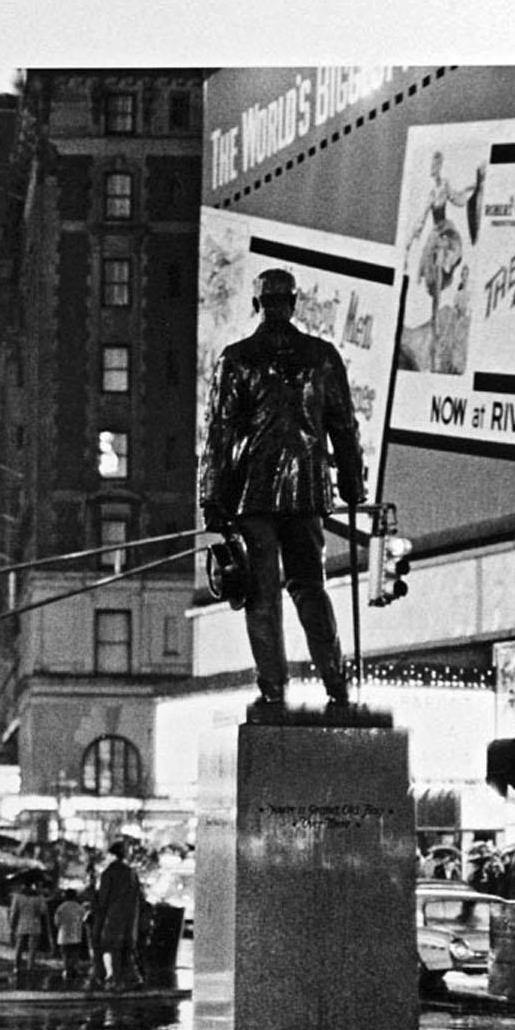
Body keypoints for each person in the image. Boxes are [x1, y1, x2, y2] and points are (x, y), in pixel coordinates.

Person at [199, 267, 364, 712]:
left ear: (259, 303)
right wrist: (352, 481)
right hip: (306, 492)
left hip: (255, 495)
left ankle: (273, 690)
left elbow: (220, 433)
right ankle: (336, 685)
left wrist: (212, 498)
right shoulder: (322, 356)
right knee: (310, 588)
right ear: (293, 303)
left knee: (263, 596)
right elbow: (343, 427)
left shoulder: (237, 359)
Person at [89, 840, 145, 991]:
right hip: (131, 918)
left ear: (112, 855)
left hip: (113, 918)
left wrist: (93, 891)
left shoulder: (109, 872)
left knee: (110, 948)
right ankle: (132, 978)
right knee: (127, 949)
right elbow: (140, 896)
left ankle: (114, 980)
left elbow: (103, 899)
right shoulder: (131, 873)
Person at [6, 879, 50, 986]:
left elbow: (14, 913)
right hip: (35, 925)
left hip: (22, 924)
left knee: (19, 947)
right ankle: (30, 968)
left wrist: (12, 927)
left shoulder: (18, 897)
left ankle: (17, 967)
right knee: (32, 949)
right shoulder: (39, 897)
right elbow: (43, 911)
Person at [53, 889, 89, 987]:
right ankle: (74, 970)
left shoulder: (61, 907)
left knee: (65, 954)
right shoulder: (79, 907)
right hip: (76, 935)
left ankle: (66, 970)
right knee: (75, 954)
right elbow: (84, 919)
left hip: (63, 935)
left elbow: (56, 922)